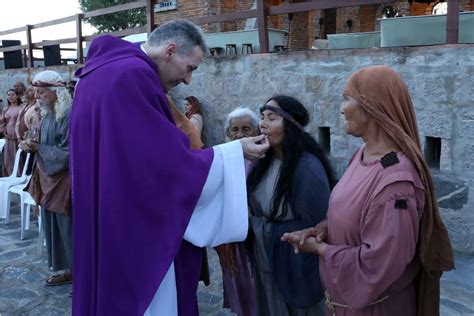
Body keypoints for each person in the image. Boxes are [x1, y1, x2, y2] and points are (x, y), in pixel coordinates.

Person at [70, 19, 269, 316]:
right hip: (129, 226)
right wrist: (234, 151)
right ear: (171, 50)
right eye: (190, 68)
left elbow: (135, 158)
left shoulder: (100, 73)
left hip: (106, 210)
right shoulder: (132, 76)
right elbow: (165, 166)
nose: (188, 80)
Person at [282, 65, 454, 316]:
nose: (341, 108)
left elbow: (381, 264)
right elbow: (354, 213)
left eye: (347, 99)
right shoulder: (362, 156)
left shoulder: (396, 183)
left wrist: (320, 250)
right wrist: (322, 230)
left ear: (372, 107)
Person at [247, 95, 335, 316]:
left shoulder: (307, 168)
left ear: (291, 126)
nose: (263, 124)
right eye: (262, 117)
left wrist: (258, 226)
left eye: (272, 118)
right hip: (268, 263)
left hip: (296, 269)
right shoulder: (263, 161)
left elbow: (313, 228)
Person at [21, 70, 73, 287]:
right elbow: (37, 139)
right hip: (46, 179)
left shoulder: (68, 115)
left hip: (65, 184)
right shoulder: (47, 114)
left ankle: (82, 273)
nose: (37, 97)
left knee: (70, 229)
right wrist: (29, 145)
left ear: (56, 92)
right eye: (36, 92)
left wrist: (37, 147)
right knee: (55, 229)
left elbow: (67, 152)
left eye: (42, 92)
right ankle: (69, 270)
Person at [215, 107, 260, 316]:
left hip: (255, 236)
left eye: (246, 129)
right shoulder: (221, 160)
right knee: (237, 280)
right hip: (231, 238)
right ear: (228, 133)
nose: (240, 135)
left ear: (256, 131)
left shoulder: (261, 159)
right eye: (234, 130)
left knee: (255, 283)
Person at [0, 89, 22, 175]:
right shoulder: (6, 108)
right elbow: (2, 122)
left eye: (13, 94)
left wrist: (19, 135)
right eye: (8, 95)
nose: (10, 97)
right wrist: (4, 132)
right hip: (8, 135)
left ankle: (18, 175)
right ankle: (8, 174)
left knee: (18, 155)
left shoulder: (21, 107)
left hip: (18, 134)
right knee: (8, 157)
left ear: (17, 96)